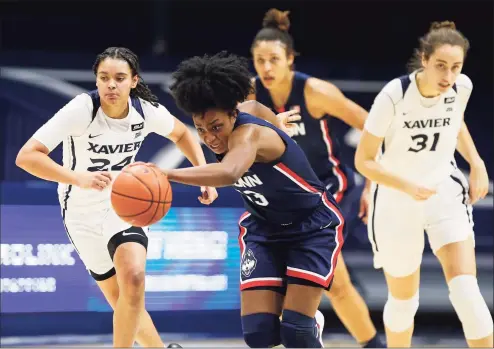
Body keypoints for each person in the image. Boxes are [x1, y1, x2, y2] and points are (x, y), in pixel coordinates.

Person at [135, 51, 345, 348]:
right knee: (259, 335)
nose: (210, 137)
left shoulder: (249, 136)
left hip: (310, 226)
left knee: (296, 333)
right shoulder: (243, 111)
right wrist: (277, 122)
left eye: (217, 126)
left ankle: (310, 326)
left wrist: (166, 174)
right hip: (264, 228)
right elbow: (257, 106)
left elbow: (230, 172)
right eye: (201, 129)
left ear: (233, 114)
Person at [15, 47, 218, 348]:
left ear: (134, 81)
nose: (111, 84)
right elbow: (27, 156)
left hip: (124, 203)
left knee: (134, 280)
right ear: (96, 81)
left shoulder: (145, 110)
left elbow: (182, 134)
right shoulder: (81, 110)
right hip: (80, 211)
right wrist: (78, 177)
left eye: (120, 78)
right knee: (121, 299)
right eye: (104, 78)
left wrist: (203, 174)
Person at [248, 8, 385, 348]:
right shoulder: (249, 96)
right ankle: (314, 334)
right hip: (283, 197)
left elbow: (373, 126)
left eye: (273, 59)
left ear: (290, 59)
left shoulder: (315, 92)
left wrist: (373, 180)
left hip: (328, 189)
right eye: (259, 60)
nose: (266, 67)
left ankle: (369, 343)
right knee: (316, 282)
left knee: (334, 279)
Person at [355, 21, 493, 348]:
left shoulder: (461, 88)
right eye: (441, 66)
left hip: (442, 190)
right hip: (395, 199)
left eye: (456, 67)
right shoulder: (395, 94)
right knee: (404, 303)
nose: (448, 76)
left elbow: (454, 124)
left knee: (466, 293)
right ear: (425, 60)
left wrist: (477, 163)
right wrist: (404, 186)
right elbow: (364, 161)